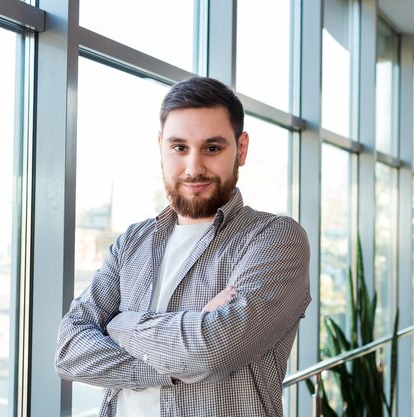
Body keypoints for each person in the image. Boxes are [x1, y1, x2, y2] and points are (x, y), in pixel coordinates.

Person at [55, 76, 311, 417]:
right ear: (161, 146)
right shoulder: (132, 243)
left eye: (212, 148)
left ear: (242, 148)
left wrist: (118, 323)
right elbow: (69, 349)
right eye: (179, 148)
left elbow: (212, 349)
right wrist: (178, 355)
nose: (194, 167)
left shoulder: (274, 238)